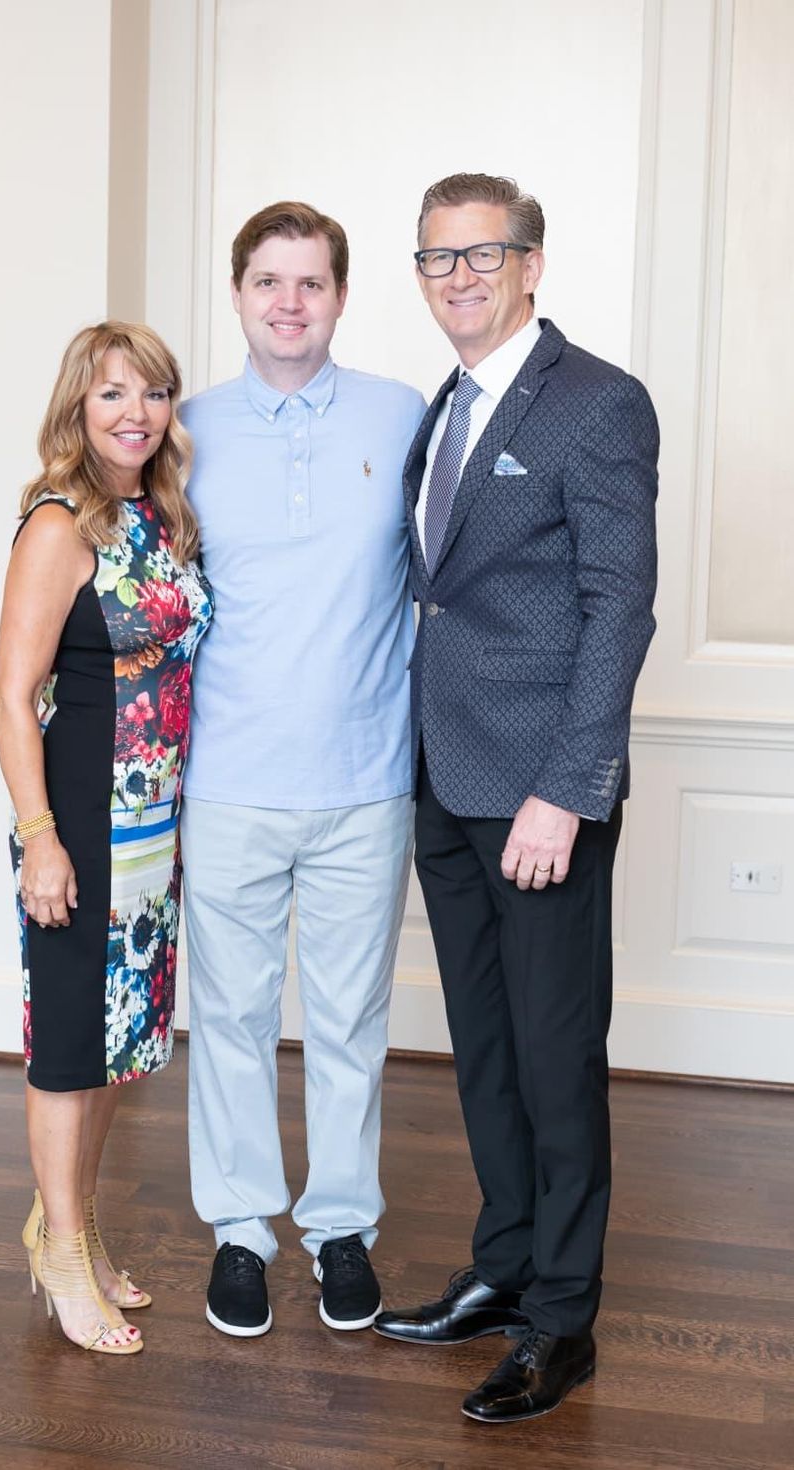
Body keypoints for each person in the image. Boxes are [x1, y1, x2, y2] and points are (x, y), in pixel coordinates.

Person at [373, 174, 659, 1424]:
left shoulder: (596, 400)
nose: (458, 277)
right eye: (436, 258)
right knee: (484, 1048)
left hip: (537, 794)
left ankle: (560, 1322)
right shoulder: (444, 403)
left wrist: (564, 790)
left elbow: (617, 608)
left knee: (553, 1055)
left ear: (530, 265)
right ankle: (502, 1268)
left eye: (481, 255)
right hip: (442, 777)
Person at [178, 202, 426, 1337]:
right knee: (228, 1018)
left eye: (310, 282)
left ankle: (339, 1232)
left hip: (364, 781)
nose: (289, 303)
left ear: (340, 296)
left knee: (348, 1023)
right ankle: (240, 1231)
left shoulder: (401, 414)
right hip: (226, 779)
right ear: (237, 294)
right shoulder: (184, 430)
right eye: (268, 282)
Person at [0, 321, 212, 1355]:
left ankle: (71, 1227)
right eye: (113, 394)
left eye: (153, 393)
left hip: (153, 824)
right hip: (80, 817)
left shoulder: (158, 516)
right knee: (71, 1047)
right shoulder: (58, 524)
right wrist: (40, 839)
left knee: (122, 1046)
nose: (136, 413)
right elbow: (11, 696)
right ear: (77, 407)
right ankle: (63, 1258)